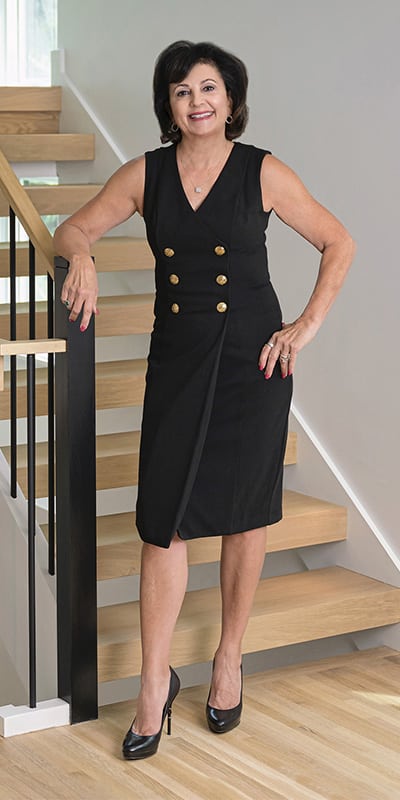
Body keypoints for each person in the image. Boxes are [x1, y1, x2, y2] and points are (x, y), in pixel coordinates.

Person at [53, 39, 355, 760]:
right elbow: (73, 226)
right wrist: (83, 256)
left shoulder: (262, 171)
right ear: (168, 103)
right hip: (179, 361)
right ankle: (154, 684)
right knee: (165, 524)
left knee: (244, 516)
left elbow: (338, 241)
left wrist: (305, 326)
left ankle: (228, 660)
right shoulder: (146, 174)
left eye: (209, 87)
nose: (197, 101)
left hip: (254, 362)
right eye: (183, 89)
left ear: (231, 99)